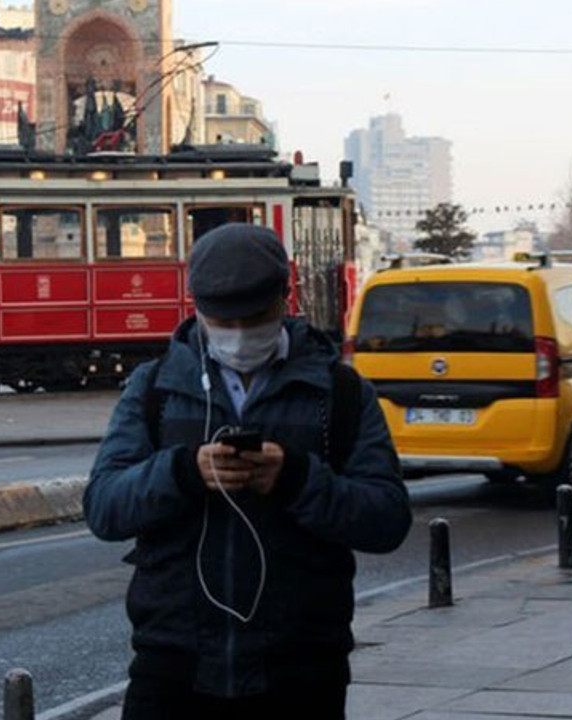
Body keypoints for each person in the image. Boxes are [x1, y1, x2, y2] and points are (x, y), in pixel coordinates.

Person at [84, 224, 413, 720]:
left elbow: (386, 518)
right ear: (196, 306)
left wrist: (297, 480)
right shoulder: (155, 389)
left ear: (286, 296)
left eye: (254, 318)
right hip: (175, 662)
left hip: (300, 668)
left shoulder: (340, 394)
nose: (238, 335)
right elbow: (105, 508)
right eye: (222, 320)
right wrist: (182, 473)